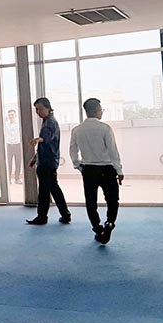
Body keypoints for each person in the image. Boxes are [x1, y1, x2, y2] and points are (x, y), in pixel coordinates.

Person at [69, 98, 124, 245]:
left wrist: (78, 166)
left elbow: (73, 150)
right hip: (107, 168)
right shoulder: (105, 128)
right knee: (112, 200)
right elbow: (113, 151)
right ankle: (110, 223)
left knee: (91, 202)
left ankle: (98, 229)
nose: (102, 112)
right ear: (97, 111)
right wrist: (119, 170)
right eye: (101, 110)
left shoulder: (77, 130)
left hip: (89, 169)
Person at [26, 98, 72, 225]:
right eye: (36, 109)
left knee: (44, 191)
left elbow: (46, 138)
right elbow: (44, 144)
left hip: (47, 162)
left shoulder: (50, 123)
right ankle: (65, 214)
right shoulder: (47, 121)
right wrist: (35, 158)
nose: (38, 112)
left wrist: (37, 139)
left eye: (40, 109)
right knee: (53, 189)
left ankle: (42, 216)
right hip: (48, 161)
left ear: (48, 108)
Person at [4, 109, 23, 184]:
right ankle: (8, 179)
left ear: (15, 115)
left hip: (17, 145)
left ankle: (17, 178)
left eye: (12, 115)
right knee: (9, 163)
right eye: (9, 115)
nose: (11, 116)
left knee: (18, 162)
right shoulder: (6, 125)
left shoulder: (19, 125)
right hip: (9, 146)